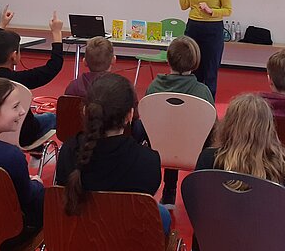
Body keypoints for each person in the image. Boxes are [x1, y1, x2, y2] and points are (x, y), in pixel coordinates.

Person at [195, 93, 285, 251]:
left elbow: (197, 213)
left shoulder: (208, 161)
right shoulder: (281, 168)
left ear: (227, 125)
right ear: (268, 129)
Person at [55, 73, 171, 235]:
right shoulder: (148, 160)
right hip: (128, 238)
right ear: (129, 116)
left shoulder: (67, 150)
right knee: (162, 214)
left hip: (79, 236)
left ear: (84, 111)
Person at [146, 35, 214, 209]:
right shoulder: (202, 92)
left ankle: (169, 193)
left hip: (158, 148)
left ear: (168, 60)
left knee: (171, 131)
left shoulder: (154, 88)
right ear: (195, 61)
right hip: (195, 150)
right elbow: (212, 126)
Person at [0, 7, 62, 147]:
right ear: (14, 56)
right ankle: (38, 156)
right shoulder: (16, 81)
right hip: (23, 135)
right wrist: (56, 33)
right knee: (52, 118)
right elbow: (53, 67)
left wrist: (1, 26)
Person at [0, 78, 44, 245]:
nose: (23, 111)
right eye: (16, 106)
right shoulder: (10, 156)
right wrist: (37, 185)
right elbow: (27, 198)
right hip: (8, 234)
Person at [64, 36, 148, 144]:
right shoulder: (124, 87)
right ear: (113, 60)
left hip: (80, 141)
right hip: (118, 141)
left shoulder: (73, 87)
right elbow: (134, 116)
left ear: (84, 61)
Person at [178, 0, 232, 99]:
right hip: (193, 27)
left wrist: (211, 11)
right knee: (191, 66)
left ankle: (207, 104)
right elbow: (184, 5)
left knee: (209, 69)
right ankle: (190, 100)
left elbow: (228, 10)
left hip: (212, 30)